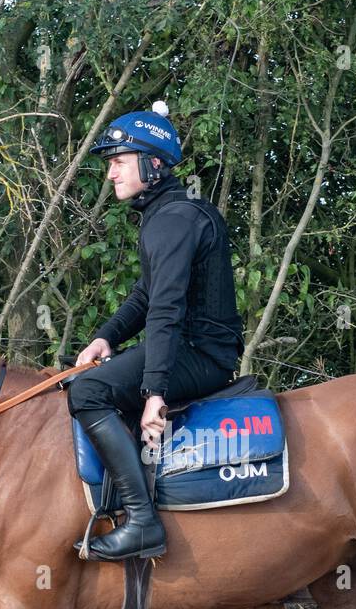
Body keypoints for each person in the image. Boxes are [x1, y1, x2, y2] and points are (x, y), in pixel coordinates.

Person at [68, 101, 245, 560]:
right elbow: (148, 296)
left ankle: (143, 523)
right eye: (110, 164)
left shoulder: (173, 220)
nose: (110, 174)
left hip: (201, 356)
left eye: (119, 162)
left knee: (86, 393)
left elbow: (165, 311)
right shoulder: (167, 214)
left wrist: (154, 394)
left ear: (153, 163)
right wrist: (105, 336)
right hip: (187, 348)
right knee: (87, 378)